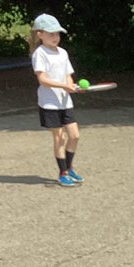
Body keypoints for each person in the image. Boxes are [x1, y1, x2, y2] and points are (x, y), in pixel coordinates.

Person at [29, 13, 83, 186]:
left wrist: (70, 85)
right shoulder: (40, 54)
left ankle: (70, 167)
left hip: (65, 102)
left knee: (74, 135)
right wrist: (64, 86)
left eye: (57, 34)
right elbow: (42, 80)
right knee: (59, 138)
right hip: (49, 103)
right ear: (40, 35)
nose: (55, 37)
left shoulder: (63, 53)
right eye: (51, 34)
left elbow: (68, 75)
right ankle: (63, 173)